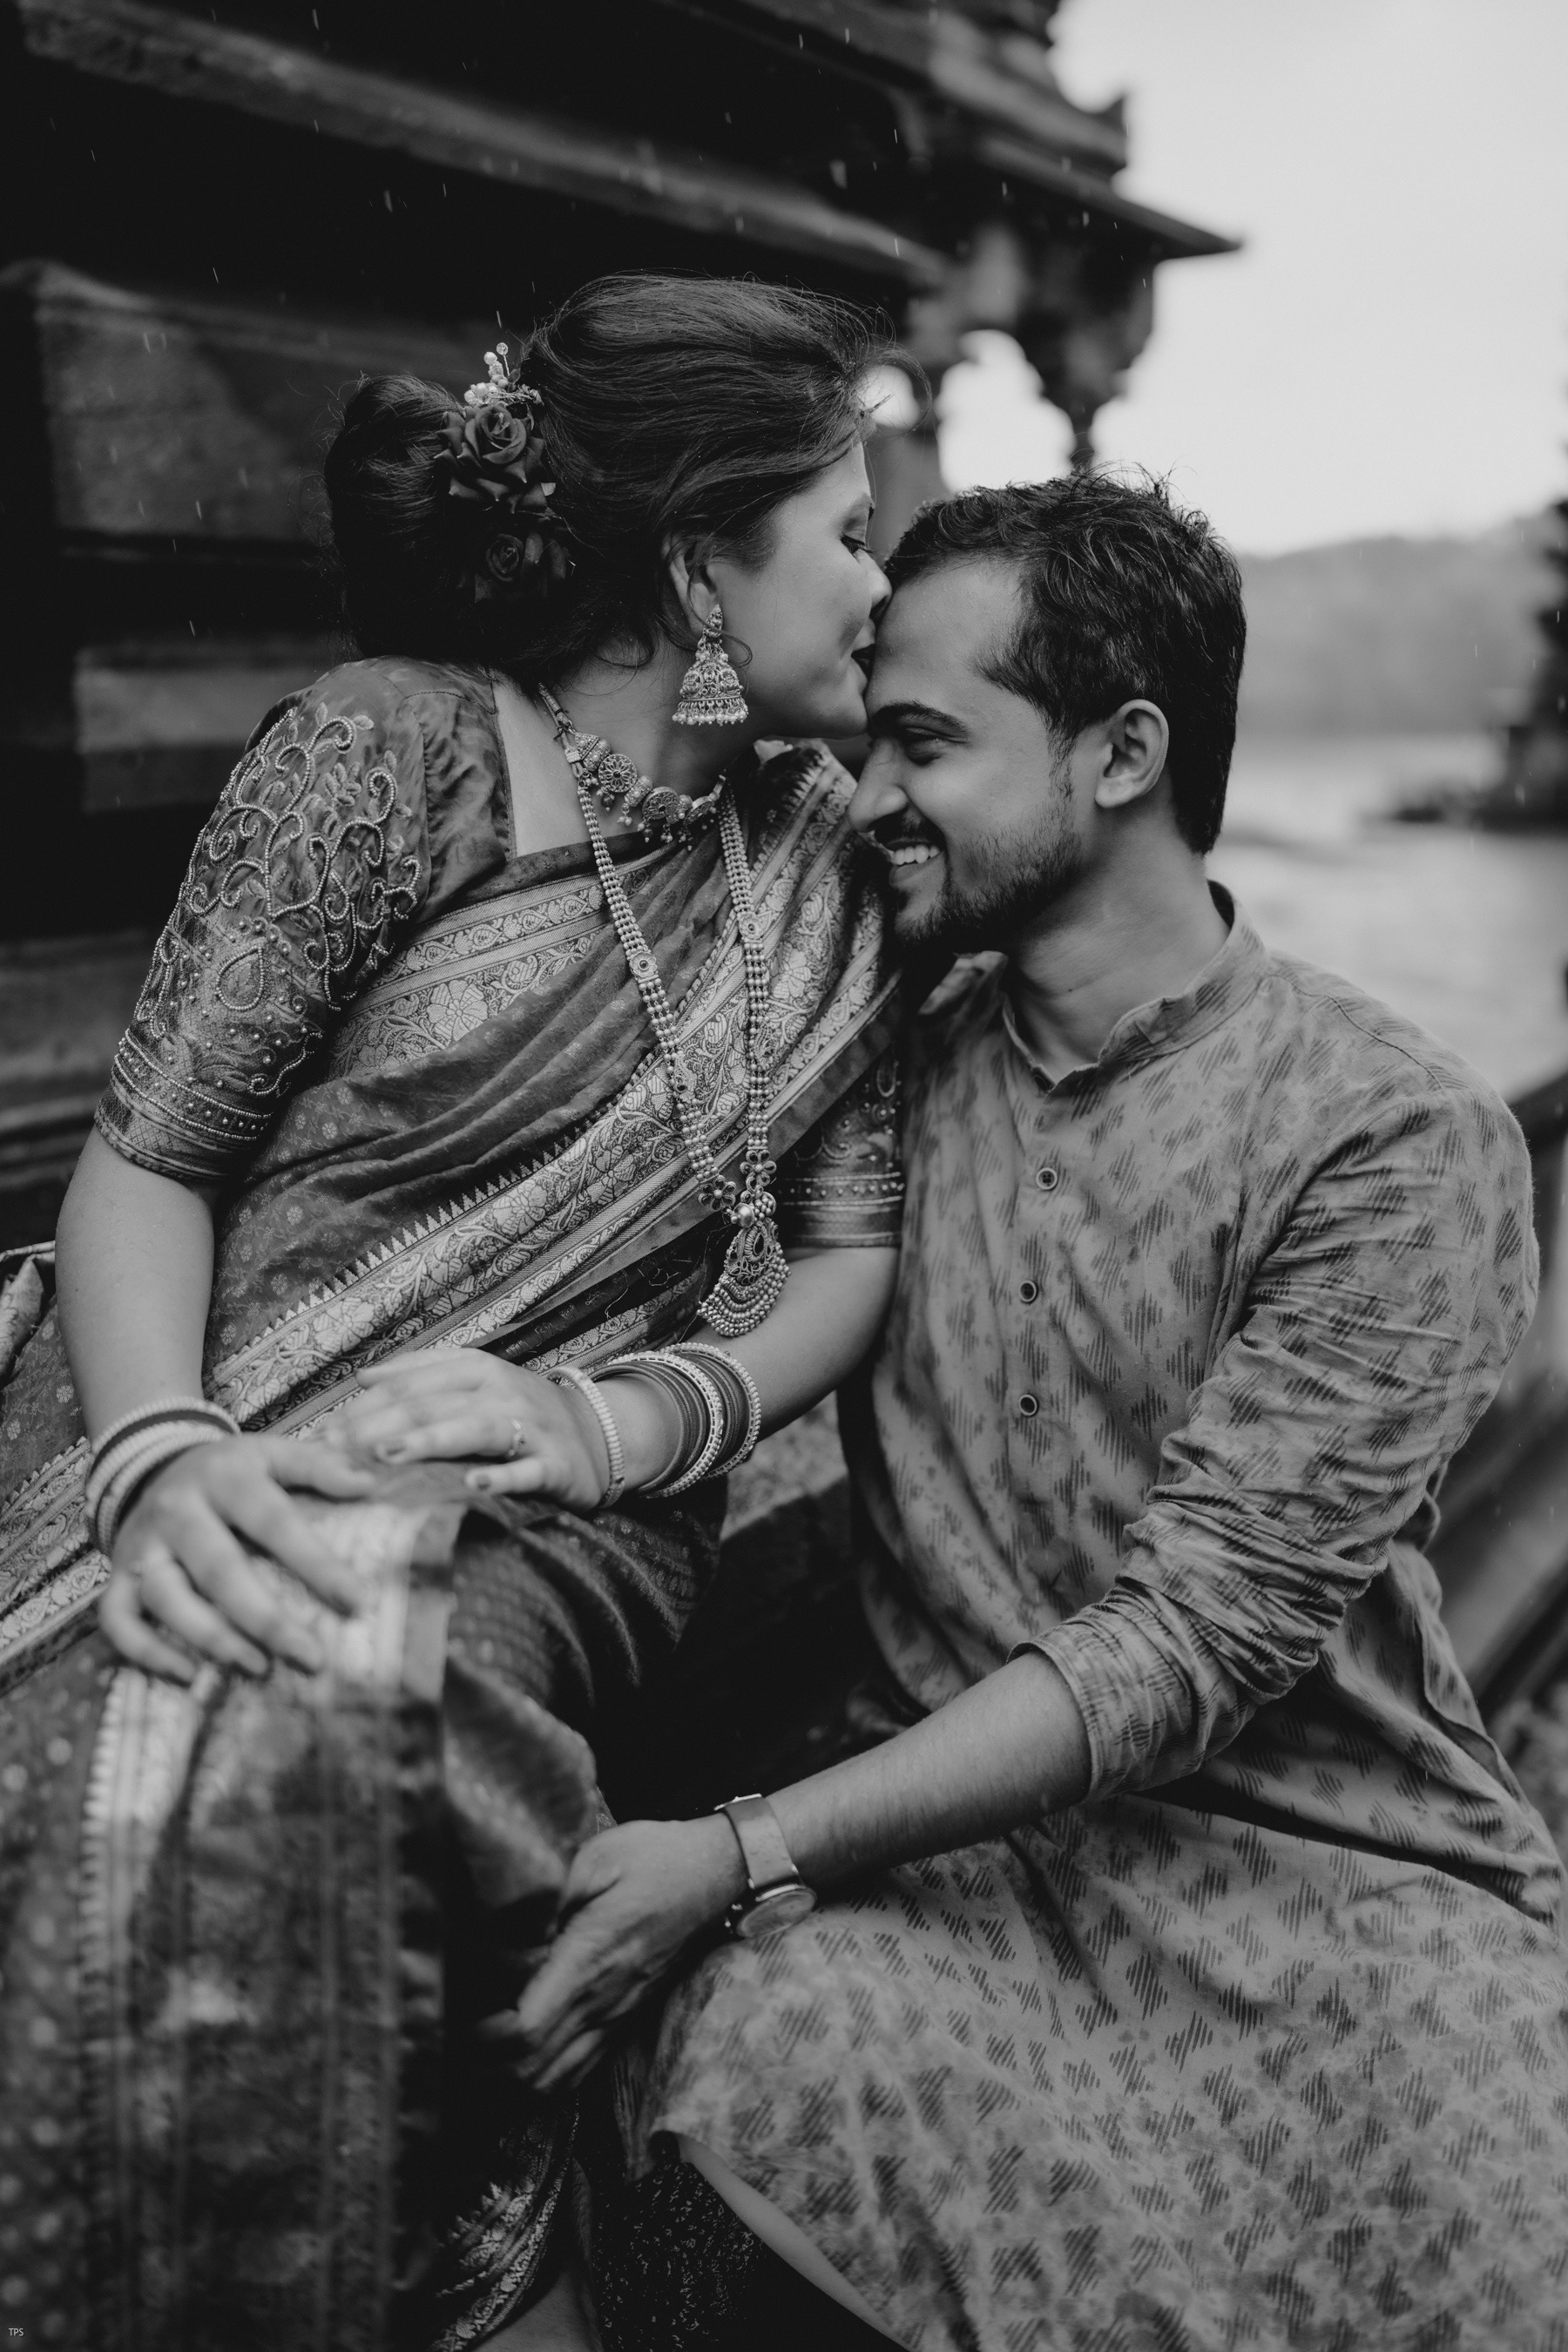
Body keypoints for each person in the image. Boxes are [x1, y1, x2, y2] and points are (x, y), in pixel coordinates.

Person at [504, 474, 1568, 2352]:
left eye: (924, 743)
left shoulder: (1390, 1132)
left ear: (1122, 754)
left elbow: (1195, 1640)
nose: (870, 798)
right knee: (759, 2055)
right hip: (951, 1870)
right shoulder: (881, 1072)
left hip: (1331, 1871)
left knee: (1496, 2249)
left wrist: (741, 1847)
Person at [0, 275, 907, 2349]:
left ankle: (426, 2271)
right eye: (849, 530)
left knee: (356, 1711)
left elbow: (846, 1261)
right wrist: (161, 1460)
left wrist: (625, 1421)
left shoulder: (825, 868)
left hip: (569, 1504)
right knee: (104, 1734)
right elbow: (151, 1163)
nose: (880, 584)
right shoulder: (392, 752)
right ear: (699, 564)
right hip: (187, 1406)